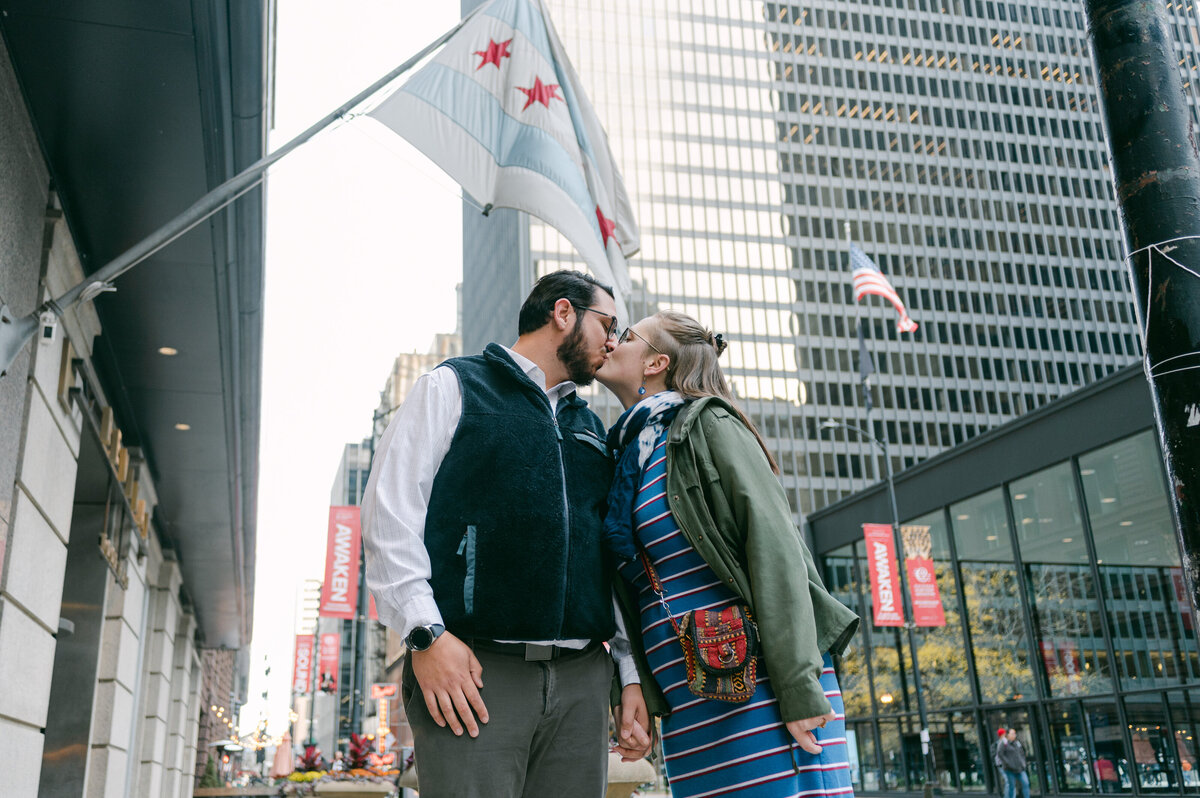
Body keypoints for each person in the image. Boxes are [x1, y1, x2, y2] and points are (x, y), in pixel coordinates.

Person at [362, 270, 649, 798]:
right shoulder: (453, 386)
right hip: (472, 671)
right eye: (608, 324)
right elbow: (389, 516)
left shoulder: (590, 426)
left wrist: (628, 674)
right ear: (563, 313)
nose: (614, 341)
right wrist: (425, 636)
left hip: (584, 678)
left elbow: (609, 556)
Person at [597, 310, 861, 797]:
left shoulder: (709, 423)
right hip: (689, 697)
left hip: (760, 689)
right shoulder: (628, 458)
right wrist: (631, 690)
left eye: (627, 335)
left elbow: (775, 548)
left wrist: (799, 687)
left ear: (656, 362)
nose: (612, 342)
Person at [996, 728, 1030, 798]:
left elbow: (1022, 753)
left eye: (1015, 733)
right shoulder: (1004, 743)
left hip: (1020, 768)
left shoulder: (1017, 743)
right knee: (1012, 786)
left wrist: (1023, 763)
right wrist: (1008, 763)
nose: (1014, 735)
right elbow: (1000, 754)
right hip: (1009, 770)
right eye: (1012, 734)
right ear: (1007, 735)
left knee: (1026, 783)